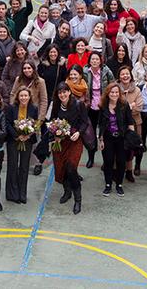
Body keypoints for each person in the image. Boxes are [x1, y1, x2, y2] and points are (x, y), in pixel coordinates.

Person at [50, 82, 89, 213]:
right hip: (60, 142)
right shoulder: (56, 105)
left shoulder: (78, 105)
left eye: (64, 92)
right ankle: (67, 192)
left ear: (69, 92)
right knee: (62, 169)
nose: (62, 94)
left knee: (71, 168)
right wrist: (55, 134)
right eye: (60, 92)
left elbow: (85, 122)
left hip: (74, 141)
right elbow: (52, 122)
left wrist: (79, 132)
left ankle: (78, 200)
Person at [96, 83, 136, 197]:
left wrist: (131, 137)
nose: (114, 94)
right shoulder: (103, 106)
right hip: (108, 137)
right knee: (108, 161)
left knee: (121, 162)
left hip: (121, 138)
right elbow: (101, 124)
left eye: (116, 92)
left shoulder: (124, 105)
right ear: (108, 94)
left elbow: (130, 122)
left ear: (119, 94)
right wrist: (101, 139)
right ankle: (108, 184)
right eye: (112, 92)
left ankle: (119, 184)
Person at [4, 88, 39, 204]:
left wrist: (28, 135)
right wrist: (17, 136)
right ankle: (12, 194)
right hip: (14, 140)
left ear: (29, 97)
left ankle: (22, 193)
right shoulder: (11, 108)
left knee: (24, 167)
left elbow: (35, 124)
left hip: (27, 141)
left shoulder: (34, 109)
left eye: (26, 96)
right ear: (18, 97)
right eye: (21, 96)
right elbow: (7, 123)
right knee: (12, 166)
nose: (23, 98)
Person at [83, 53, 114, 168]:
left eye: (97, 59)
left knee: (104, 133)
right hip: (90, 107)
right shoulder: (85, 71)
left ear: (100, 61)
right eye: (93, 59)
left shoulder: (106, 71)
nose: (95, 61)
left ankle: (106, 161)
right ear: (89, 61)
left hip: (104, 106)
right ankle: (91, 157)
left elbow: (113, 85)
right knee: (90, 134)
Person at [37, 44, 69, 110]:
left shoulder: (61, 65)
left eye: (54, 52)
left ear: (58, 53)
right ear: (48, 53)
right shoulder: (43, 65)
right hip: (45, 95)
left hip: (57, 95)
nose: (53, 54)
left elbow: (64, 79)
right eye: (51, 52)